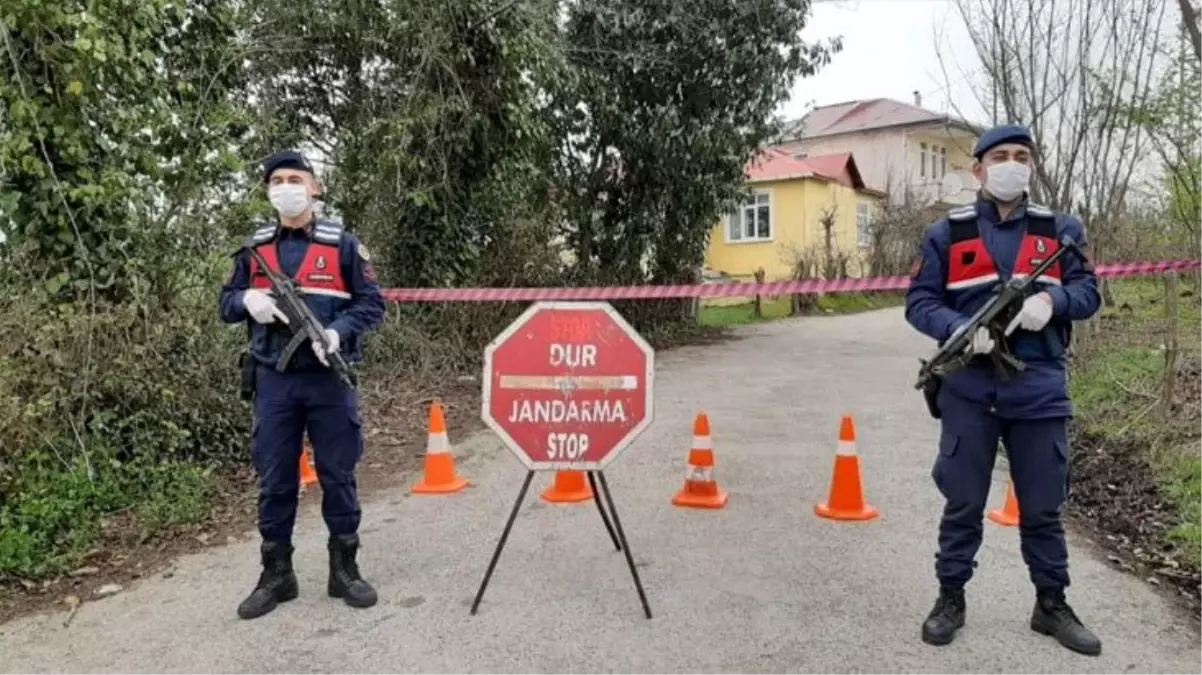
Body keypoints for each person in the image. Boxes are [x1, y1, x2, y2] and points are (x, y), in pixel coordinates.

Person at [904, 124, 1103, 656]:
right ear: (979, 170)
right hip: (970, 385)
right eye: (1000, 157)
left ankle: (1051, 604)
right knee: (963, 500)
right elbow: (919, 301)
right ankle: (950, 598)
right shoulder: (947, 232)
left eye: (1021, 156)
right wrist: (959, 328)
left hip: (1038, 388)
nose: (1011, 164)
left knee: (1041, 505)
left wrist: (1053, 304)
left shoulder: (1061, 230)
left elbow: (1088, 292)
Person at [219, 149, 387, 620]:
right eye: (277, 180)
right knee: (275, 479)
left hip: (328, 382)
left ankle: (345, 569)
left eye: (295, 178)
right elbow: (225, 303)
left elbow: (374, 305)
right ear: (268, 191)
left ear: (314, 187)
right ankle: (277, 575)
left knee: (338, 474)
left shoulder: (343, 245)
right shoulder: (254, 249)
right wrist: (247, 299)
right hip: (274, 381)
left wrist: (337, 331)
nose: (286, 187)